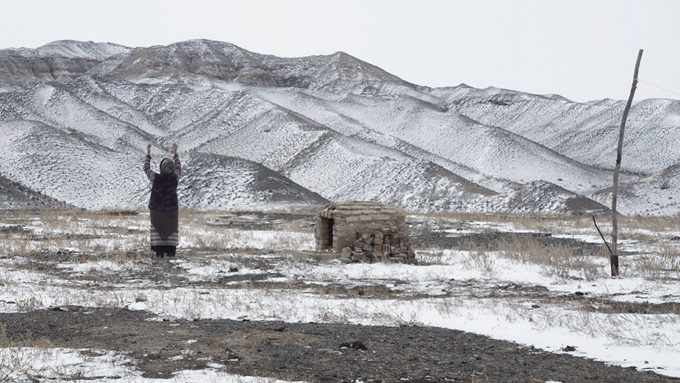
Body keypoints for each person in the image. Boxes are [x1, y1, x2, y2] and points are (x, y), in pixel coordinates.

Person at [144, 143, 181, 258]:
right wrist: (175, 153)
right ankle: (171, 254)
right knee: (171, 230)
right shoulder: (175, 177)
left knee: (157, 230)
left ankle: (159, 255)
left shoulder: (155, 178)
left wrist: (148, 154)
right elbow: (179, 166)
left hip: (157, 211)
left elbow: (146, 168)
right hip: (172, 212)